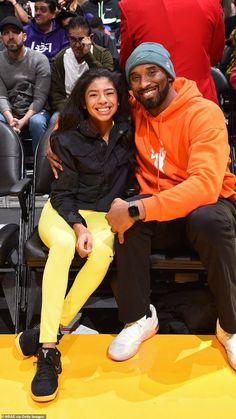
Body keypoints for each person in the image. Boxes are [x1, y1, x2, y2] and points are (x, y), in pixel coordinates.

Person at [104, 43, 236, 367]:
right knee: (127, 220)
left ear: (169, 74)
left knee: (207, 220)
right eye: (135, 77)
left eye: (152, 72)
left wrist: (138, 209)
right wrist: (57, 129)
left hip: (207, 204)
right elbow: (92, 101)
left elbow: (205, 186)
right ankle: (138, 318)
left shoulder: (204, 113)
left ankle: (230, 326)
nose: (144, 82)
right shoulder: (138, 107)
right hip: (164, 207)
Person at [15, 67, 135, 402]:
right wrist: (79, 226)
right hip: (63, 213)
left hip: (104, 215)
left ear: (119, 97)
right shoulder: (66, 138)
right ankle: (49, 352)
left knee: (102, 254)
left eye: (109, 93)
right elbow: (62, 195)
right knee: (66, 245)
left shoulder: (130, 131)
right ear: (83, 101)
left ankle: (44, 331)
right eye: (94, 94)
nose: (102, 100)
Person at [118, 0, 225, 103]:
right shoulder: (211, 2)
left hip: (153, 104)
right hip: (201, 100)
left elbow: (127, 64)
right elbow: (216, 56)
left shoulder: (130, 5)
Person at [0, 16, 51, 151]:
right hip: (10, 109)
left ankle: (39, 165)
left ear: (24, 36)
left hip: (36, 110)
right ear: (1, 39)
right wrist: (11, 119)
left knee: (37, 122)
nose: (11, 36)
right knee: (0, 122)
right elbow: (2, 97)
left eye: (15, 32)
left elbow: (40, 98)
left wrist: (23, 121)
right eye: (6, 33)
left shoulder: (40, 60)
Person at [49, 15, 114, 113]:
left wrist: (88, 55)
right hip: (68, 107)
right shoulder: (60, 58)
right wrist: (69, 110)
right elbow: (56, 94)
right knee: (55, 121)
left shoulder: (103, 54)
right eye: (73, 39)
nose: (77, 45)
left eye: (81, 40)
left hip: (98, 106)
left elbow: (107, 81)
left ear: (90, 38)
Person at [24, 0, 69, 65]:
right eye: (36, 9)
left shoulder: (62, 34)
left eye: (43, 10)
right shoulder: (25, 32)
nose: (37, 13)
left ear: (53, 14)